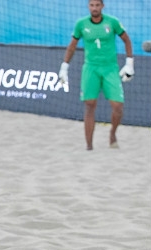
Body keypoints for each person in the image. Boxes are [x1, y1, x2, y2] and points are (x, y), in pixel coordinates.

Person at [59, 0, 133, 151]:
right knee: (89, 105)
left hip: (110, 68)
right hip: (90, 68)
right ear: (88, 6)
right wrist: (64, 67)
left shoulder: (112, 22)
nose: (94, 8)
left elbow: (126, 40)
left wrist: (129, 63)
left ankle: (112, 134)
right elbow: (72, 47)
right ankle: (89, 146)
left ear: (102, 6)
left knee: (118, 106)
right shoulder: (81, 24)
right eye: (92, 5)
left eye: (97, 5)